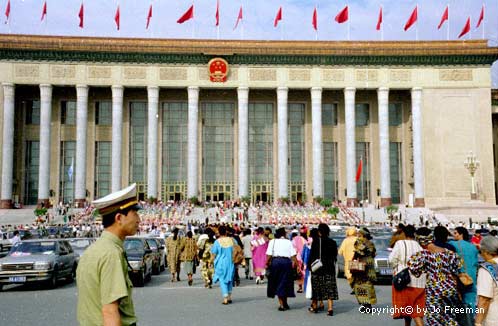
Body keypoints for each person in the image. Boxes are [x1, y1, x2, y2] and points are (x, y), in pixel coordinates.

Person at [76, 183, 141, 326]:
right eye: (135, 213)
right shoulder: (111, 253)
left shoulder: (93, 250)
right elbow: (110, 312)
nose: (139, 220)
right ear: (119, 218)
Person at [408, 227, 463, 326]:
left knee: (434, 319)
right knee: (450, 317)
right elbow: (456, 270)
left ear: (420, 241)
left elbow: (415, 272)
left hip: (434, 289)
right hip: (450, 287)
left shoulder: (422, 255)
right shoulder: (450, 253)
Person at [388, 225, 425, 326]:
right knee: (416, 310)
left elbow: (392, 260)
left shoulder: (400, 243)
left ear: (404, 233)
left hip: (405, 281)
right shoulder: (419, 246)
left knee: (411, 311)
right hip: (420, 282)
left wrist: (397, 267)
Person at [307, 223, 338, 316]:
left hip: (318, 269)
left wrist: (310, 267)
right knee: (329, 288)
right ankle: (330, 308)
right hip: (329, 268)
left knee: (316, 288)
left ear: (319, 232)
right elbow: (334, 256)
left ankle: (315, 306)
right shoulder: (333, 242)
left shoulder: (316, 242)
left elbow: (312, 256)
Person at [266, 227, 297, 311]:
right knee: (285, 282)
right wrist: (296, 265)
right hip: (287, 262)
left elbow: (269, 254)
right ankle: (285, 302)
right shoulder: (288, 242)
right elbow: (293, 255)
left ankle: (281, 304)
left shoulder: (273, 241)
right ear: (284, 234)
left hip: (276, 262)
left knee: (277, 282)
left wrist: (266, 263)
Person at [449, 226, 479, 308]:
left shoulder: (452, 244)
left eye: (455, 233)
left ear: (461, 234)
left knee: (456, 304)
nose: (453, 235)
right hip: (471, 277)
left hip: (459, 277)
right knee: (471, 301)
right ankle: (471, 319)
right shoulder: (473, 247)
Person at [351, 227, 377, 309]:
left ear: (362, 234)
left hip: (362, 266)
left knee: (360, 285)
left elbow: (359, 253)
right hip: (370, 265)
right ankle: (368, 304)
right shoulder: (371, 243)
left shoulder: (359, 242)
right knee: (368, 284)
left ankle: (365, 304)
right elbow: (373, 253)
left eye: (359, 234)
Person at [475, 236, 498, 326]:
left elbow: (484, 299)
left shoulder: (487, 269)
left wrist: (478, 322)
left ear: (486, 251)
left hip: (493, 318)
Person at [210, 225, 236, 305]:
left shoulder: (217, 242)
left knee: (222, 279)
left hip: (221, 263)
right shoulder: (232, 240)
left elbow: (213, 254)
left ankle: (225, 298)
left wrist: (210, 262)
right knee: (230, 279)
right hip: (231, 262)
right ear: (226, 231)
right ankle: (229, 297)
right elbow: (236, 250)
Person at [338, 227, 358, 292]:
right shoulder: (359, 240)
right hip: (357, 260)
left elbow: (340, 252)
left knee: (349, 276)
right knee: (358, 275)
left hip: (348, 261)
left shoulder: (345, 240)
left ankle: (354, 288)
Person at [291, 226, 307, 293]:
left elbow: (294, 250)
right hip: (306, 259)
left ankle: (300, 287)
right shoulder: (309, 239)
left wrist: (293, 261)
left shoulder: (295, 239)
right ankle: (306, 286)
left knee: (299, 273)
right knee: (304, 273)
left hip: (299, 258)